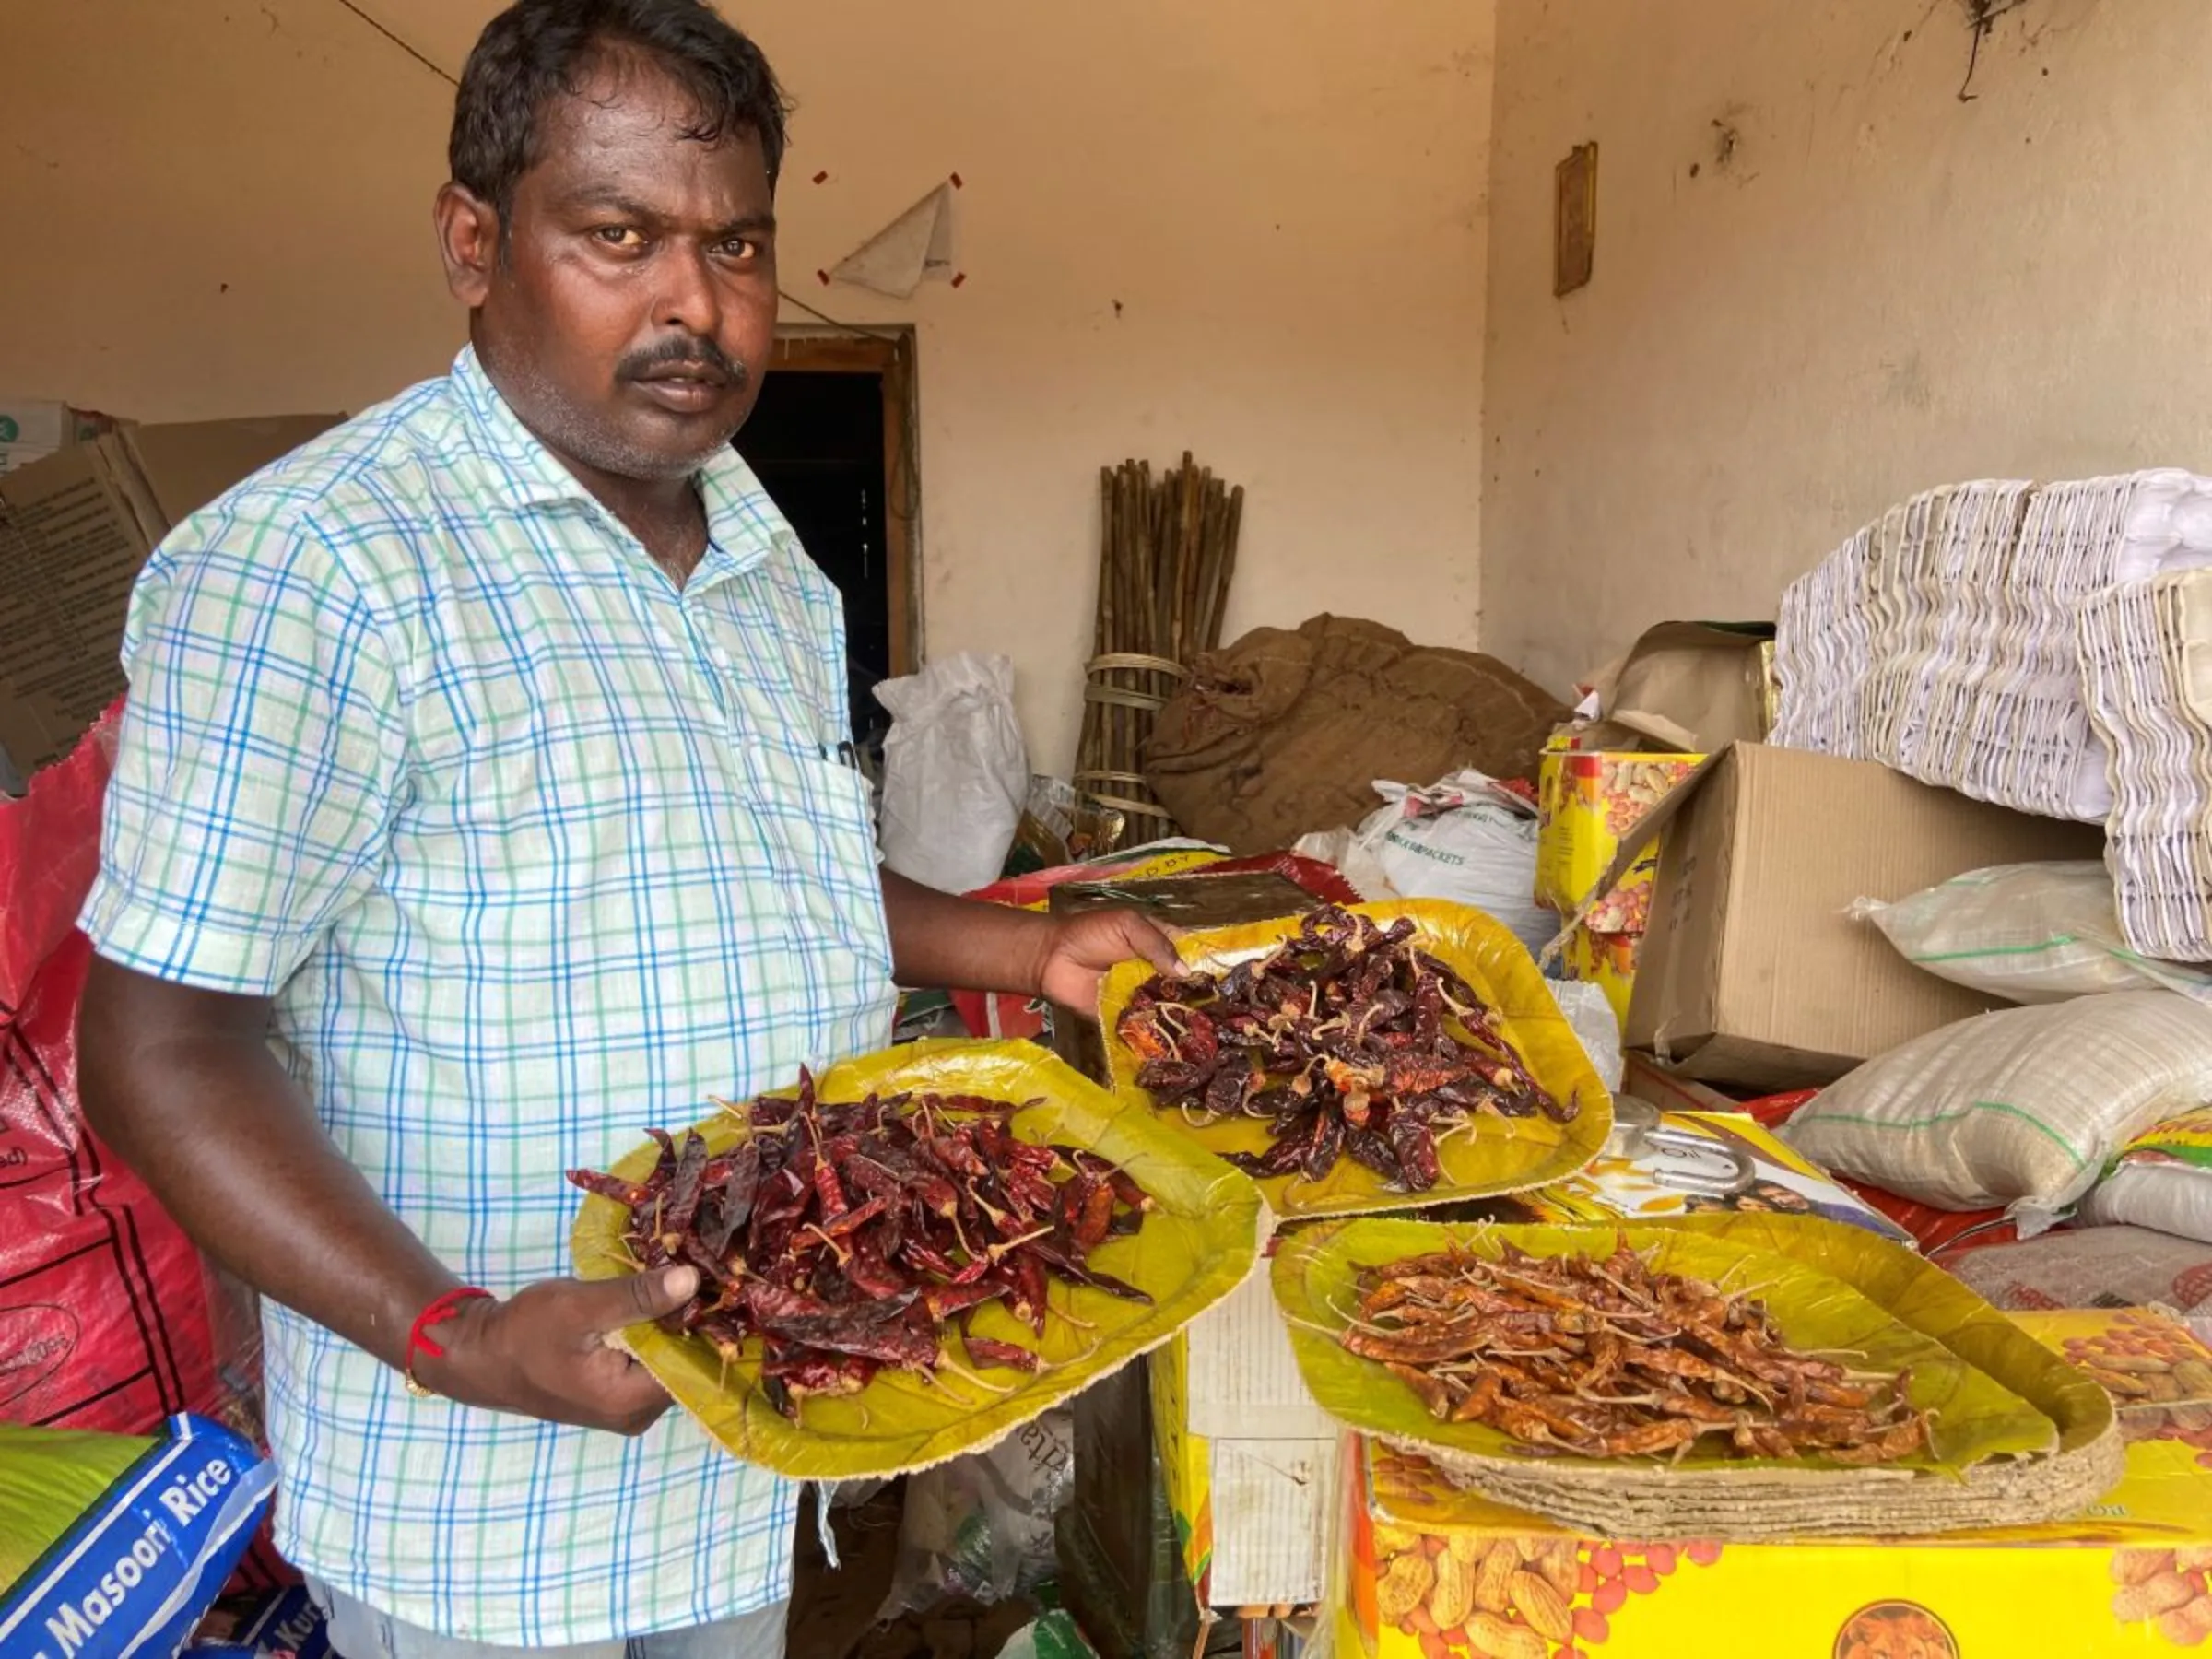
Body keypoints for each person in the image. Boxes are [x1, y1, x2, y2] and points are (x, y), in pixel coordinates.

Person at [74, 3, 1178, 1654]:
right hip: (484, 1508)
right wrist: (451, 1330)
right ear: (473, 243)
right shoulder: (317, 567)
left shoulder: (762, 562)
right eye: (618, 236)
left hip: (751, 1454)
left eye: (736, 243)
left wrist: (1025, 946)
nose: (697, 305)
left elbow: (770, 878)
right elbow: (158, 1042)